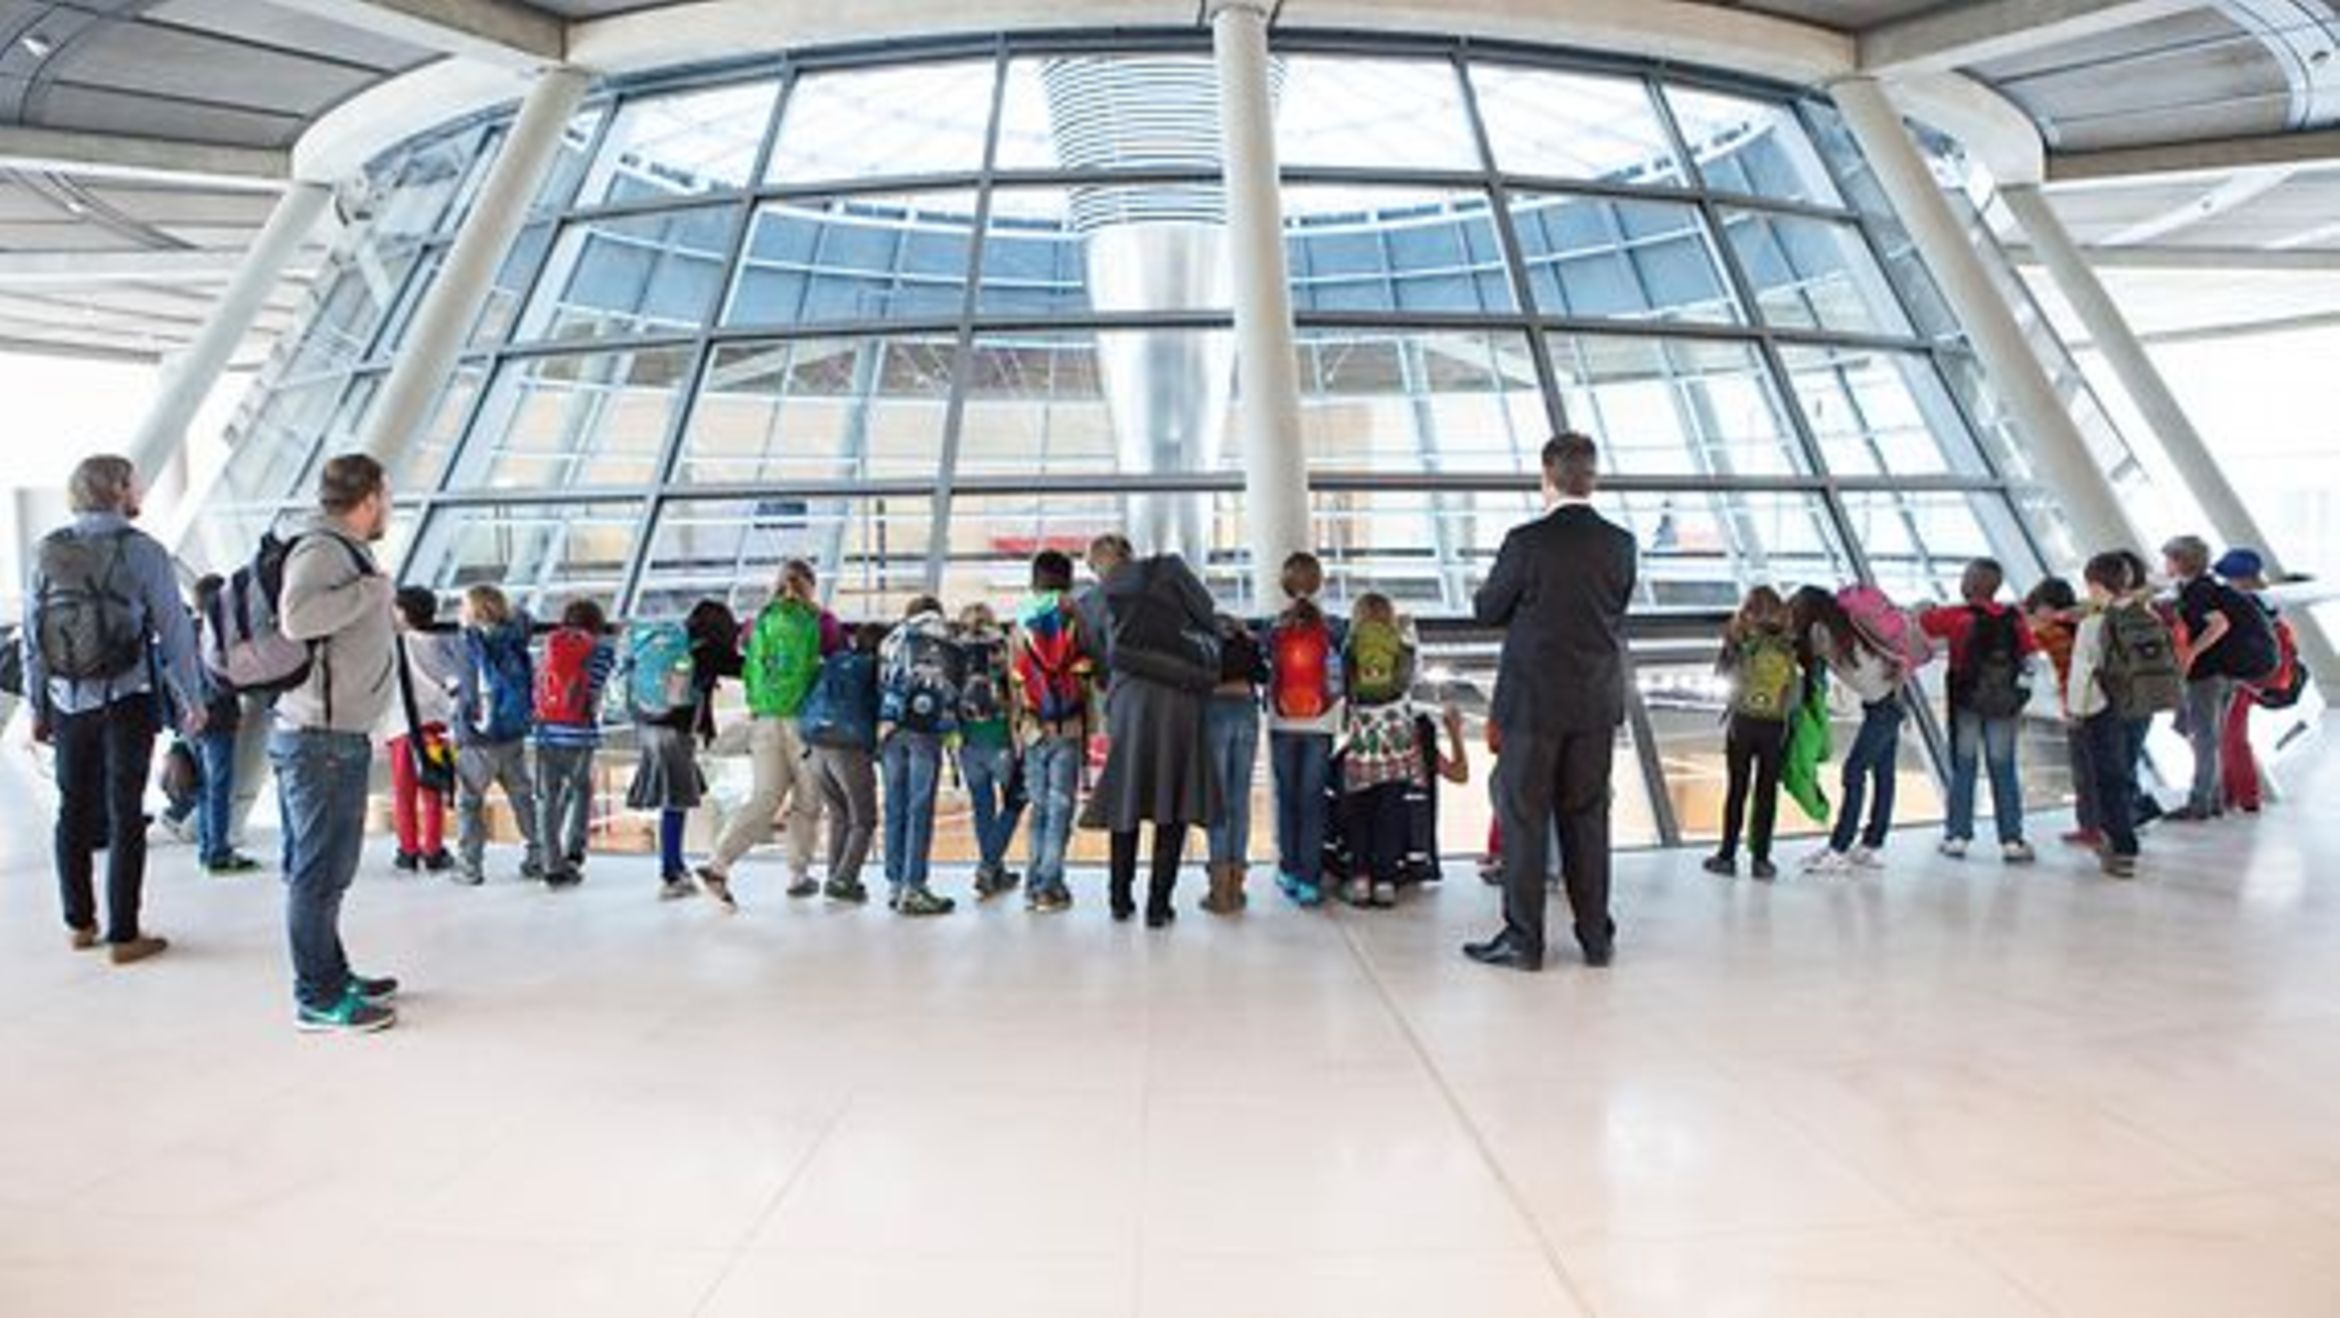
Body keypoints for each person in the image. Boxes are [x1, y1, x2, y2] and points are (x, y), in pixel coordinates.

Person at [23, 454, 206, 964]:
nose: (140, 494)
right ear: (120, 490)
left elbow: (34, 638)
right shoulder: (143, 551)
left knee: (71, 809)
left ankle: (79, 923)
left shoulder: (48, 550)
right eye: (136, 486)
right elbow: (174, 632)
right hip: (127, 697)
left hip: (67, 698)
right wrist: (193, 698)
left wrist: (38, 704)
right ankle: (124, 934)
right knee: (126, 813)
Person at [1464, 433, 1636, 972]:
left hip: (1534, 705)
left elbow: (1489, 609)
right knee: (1588, 818)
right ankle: (1594, 938)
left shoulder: (1526, 542)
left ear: (1547, 475)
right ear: (1593, 478)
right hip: (1595, 701)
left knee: (1524, 818)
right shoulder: (1621, 543)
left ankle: (1525, 940)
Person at [271, 453, 402, 1032]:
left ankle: (333, 973)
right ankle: (317, 997)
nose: (389, 509)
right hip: (318, 738)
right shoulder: (322, 548)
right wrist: (369, 595)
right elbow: (297, 618)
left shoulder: (339, 548)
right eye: (387, 497)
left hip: (332, 735)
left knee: (329, 871)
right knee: (318, 874)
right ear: (369, 496)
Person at [1092, 533, 1221, 928]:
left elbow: (1100, 664)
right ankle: (1158, 906)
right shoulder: (1170, 571)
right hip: (1181, 700)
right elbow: (1208, 616)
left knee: (1126, 800)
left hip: (1129, 705)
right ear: (1130, 554)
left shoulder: (1095, 601)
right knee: (1174, 798)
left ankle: (1119, 899)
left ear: (1098, 564)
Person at [698, 560, 839, 908]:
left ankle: (718, 864)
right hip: (804, 723)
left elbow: (748, 667)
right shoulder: (822, 622)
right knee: (808, 800)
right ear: (811, 586)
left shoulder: (757, 622)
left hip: (763, 721)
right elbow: (838, 665)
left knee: (764, 798)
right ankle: (798, 875)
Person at [2066, 552, 2183, 879]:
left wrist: (2076, 712)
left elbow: (2084, 674)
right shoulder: (2148, 616)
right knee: (2126, 768)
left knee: (2108, 778)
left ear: (2095, 584)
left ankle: (2122, 846)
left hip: (2104, 709)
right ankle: (2125, 836)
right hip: (2141, 705)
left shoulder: (2094, 624)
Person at [1919, 559, 2039, 864]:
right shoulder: (2014, 618)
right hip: (2004, 704)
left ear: (1970, 583)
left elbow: (1922, 623)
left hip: (1966, 701)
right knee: (2003, 768)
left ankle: (1957, 836)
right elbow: (2030, 657)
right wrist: (2019, 695)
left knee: (1964, 767)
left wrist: (1923, 609)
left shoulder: (1956, 617)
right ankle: (2011, 839)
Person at [2162, 535, 2278, 822]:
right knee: (2204, 733)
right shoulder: (2209, 588)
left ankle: (2200, 802)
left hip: (2208, 673)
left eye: (2168, 559)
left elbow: (2219, 624)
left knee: (2203, 736)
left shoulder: (2198, 592)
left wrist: (2190, 652)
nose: (2164, 564)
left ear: (2179, 562)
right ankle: (2212, 799)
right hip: (2225, 673)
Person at [1791, 586, 1905, 874]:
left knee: (1853, 772)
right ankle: (1870, 845)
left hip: (1883, 707)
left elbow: (1796, 649)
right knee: (1883, 775)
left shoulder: (1819, 631)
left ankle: (1839, 848)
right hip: (1889, 699)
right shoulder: (1843, 624)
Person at [1011, 550, 1090, 914]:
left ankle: (1033, 883)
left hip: (1031, 725)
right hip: (1069, 724)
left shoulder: (1021, 617)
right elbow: (1089, 669)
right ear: (1068, 577)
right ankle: (1049, 885)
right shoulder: (1076, 613)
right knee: (1061, 808)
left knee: (1040, 808)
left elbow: (1014, 677)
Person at [451, 584, 545, 886]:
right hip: (513, 731)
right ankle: (538, 856)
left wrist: (460, 728)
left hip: (479, 737)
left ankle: (469, 866)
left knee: (469, 801)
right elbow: (524, 616)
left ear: (474, 610)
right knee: (522, 796)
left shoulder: (471, 642)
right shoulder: (515, 635)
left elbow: (468, 693)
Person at [1264, 552, 1344, 908]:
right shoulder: (1334, 628)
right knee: (1313, 801)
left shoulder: (1273, 628)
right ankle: (1310, 880)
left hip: (1282, 721)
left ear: (1284, 583)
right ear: (1318, 582)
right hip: (1321, 722)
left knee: (1288, 798)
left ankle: (1289, 870)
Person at [1704, 585, 1798, 881]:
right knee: (1767, 792)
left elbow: (1720, 676)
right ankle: (1761, 860)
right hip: (1775, 725)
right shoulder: (1787, 641)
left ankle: (1727, 856)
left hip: (1743, 722)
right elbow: (1795, 689)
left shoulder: (1739, 638)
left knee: (1737, 789)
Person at [879, 595, 960, 916]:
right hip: (924, 731)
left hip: (889, 731)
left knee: (895, 807)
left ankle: (896, 883)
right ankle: (915, 886)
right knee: (919, 808)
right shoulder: (940, 636)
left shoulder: (891, 639)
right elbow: (951, 687)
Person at [1338, 594, 1421, 909]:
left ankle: (1360, 880)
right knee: (1391, 810)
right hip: (1397, 738)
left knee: (1359, 811)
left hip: (1364, 737)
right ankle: (1385, 882)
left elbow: (1346, 689)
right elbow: (1410, 681)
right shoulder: (1402, 644)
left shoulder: (1350, 645)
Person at [620, 609, 708, 901]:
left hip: (647, 725)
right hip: (675, 730)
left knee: (672, 800)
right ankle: (672, 872)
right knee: (675, 801)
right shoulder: (694, 649)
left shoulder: (643, 643)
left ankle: (675, 866)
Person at [533, 598, 617, 889]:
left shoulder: (549, 646)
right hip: (581, 734)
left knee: (548, 799)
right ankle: (575, 852)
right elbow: (599, 685)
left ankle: (550, 864)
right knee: (581, 790)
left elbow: (539, 684)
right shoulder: (602, 651)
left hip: (546, 732)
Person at [798, 622, 883, 905]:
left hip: (816, 742)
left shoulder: (835, 661)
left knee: (839, 815)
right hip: (849, 747)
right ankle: (845, 879)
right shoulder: (873, 669)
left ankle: (835, 875)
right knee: (864, 818)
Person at [185, 576, 259, 875]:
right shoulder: (220, 632)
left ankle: (208, 848)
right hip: (216, 718)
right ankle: (218, 852)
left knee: (205, 787)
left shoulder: (185, 631)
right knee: (219, 787)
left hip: (190, 719)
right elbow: (226, 677)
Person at [386, 587, 461, 874]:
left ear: (403, 613)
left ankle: (408, 850)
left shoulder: (394, 643)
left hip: (400, 727)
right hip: (434, 727)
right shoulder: (441, 642)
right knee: (432, 789)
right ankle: (433, 849)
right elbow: (454, 682)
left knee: (403, 793)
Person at [955, 601, 1023, 899]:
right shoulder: (1001, 646)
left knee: (982, 809)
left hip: (968, 741)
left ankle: (994, 870)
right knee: (1014, 803)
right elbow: (1015, 691)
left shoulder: (954, 650)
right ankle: (988, 865)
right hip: (1000, 740)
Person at [2024, 578, 2096, 850]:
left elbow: (2025, 641)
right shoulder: (2086, 624)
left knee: (2084, 770)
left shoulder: (2053, 632)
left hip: (2078, 703)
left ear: (2045, 607)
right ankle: (2111, 823)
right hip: (2102, 702)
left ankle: (2091, 827)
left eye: (2036, 609)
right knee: (2103, 766)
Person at [1202, 612, 1265, 915]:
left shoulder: (1201, 638)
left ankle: (1218, 891)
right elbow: (1263, 675)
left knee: (1218, 801)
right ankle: (1237, 885)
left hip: (1214, 708)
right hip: (1246, 709)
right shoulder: (1247, 638)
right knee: (1240, 800)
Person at [2212, 548, 2278, 814]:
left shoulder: (2247, 603)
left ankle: (2245, 796)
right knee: (2231, 735)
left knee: (2232, 737)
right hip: (2254, 676)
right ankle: (2231, 793)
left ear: (2242, 578)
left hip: (2241, 678)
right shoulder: (2267, 601)